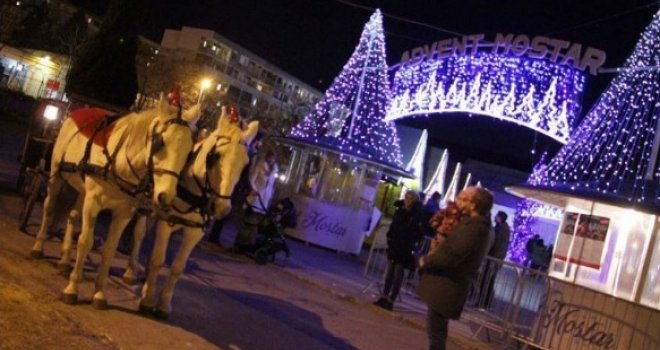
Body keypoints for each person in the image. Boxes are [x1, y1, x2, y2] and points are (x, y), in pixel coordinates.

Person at [418, 186, 494, 350]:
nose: (459, 200)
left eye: (465, 198)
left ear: (474, 205)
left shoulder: (476, 228)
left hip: (448, 286)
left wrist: (427, 261)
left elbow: (453, 254)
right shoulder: (471, 224)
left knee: (436, 332)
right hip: (446, 284)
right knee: (436, 330)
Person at [373, 190, 423, 311]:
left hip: (404, 247)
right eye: (406, 197)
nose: (407, 199)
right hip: (395, 245)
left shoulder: (416, 214)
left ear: (414, 200)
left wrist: (410, 238)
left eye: (410, 198)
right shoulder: (400, 210)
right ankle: (384, 296)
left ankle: (391, 300)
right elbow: (394, 226)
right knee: (389, 273)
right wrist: (390, 237)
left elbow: (418, 231)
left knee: (398, 274)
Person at [233, 150, 279, 250]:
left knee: (256, 223)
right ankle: (240, 243)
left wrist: (271, 194)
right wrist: (254, 189)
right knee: (249, 221)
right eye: (270, 156)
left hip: (265, 200)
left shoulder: (275, 169)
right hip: (256, 197)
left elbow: (272, 184)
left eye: (273, 157)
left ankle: (249, 244)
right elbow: (251, 178)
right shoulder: (260, 165)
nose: (271, 159)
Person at [477, 211, 510, 309]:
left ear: (499, 218)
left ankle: (483, 303)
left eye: (496, 216)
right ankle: (486, 303)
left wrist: (489, 254)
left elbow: (495, 244)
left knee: (486, 280)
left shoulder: (499, 229)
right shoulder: (505, 229)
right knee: (489, 280)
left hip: (493, 258)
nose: (495, 217)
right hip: (497, 259)